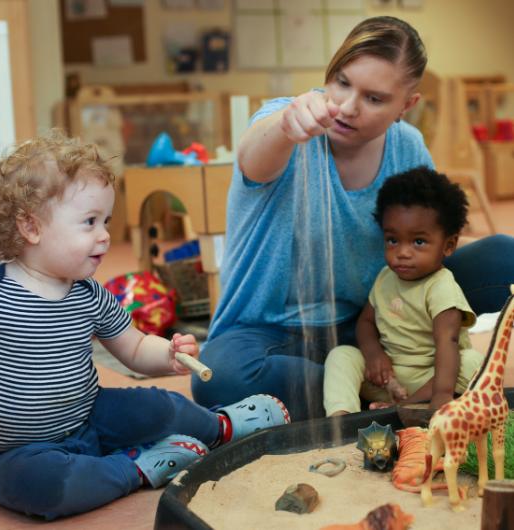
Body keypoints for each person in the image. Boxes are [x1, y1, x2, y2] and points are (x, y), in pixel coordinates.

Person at [192, 15, 514, 422]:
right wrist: (287, 127)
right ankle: (370, 390)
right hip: (273, 335)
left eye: (374, 98)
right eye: (342, 82)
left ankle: (371, 388)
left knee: (504, 255)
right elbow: (253, 158)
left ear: (406, 106)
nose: (346, 108)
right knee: (217, 377)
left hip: (380, 318)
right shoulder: (285, 121)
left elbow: (432, 241)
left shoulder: (407, 146)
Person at [0, 132, 290, 521]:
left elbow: (132, 346)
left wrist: (168, 354)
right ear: (31, 228)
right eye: (89, 222)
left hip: (90, 416)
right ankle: (139, 467)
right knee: (46, 488)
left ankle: (220, 425)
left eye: (106, 220)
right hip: (16, 451)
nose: (105, 235)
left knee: (158, 405)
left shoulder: (89, 294)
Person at [323, 167, 484, 415]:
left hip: (435, 378)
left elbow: (447, 342)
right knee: (342, 355)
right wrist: (374, 354)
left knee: (473, 362)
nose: (403, 252)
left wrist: (441, 396)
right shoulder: (386, 277)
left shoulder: (441, 287)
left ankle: (412, 406)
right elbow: (365, 322)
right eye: (393, 240)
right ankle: (342, 417)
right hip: (387, 378)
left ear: (448, 245)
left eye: (418, 242)